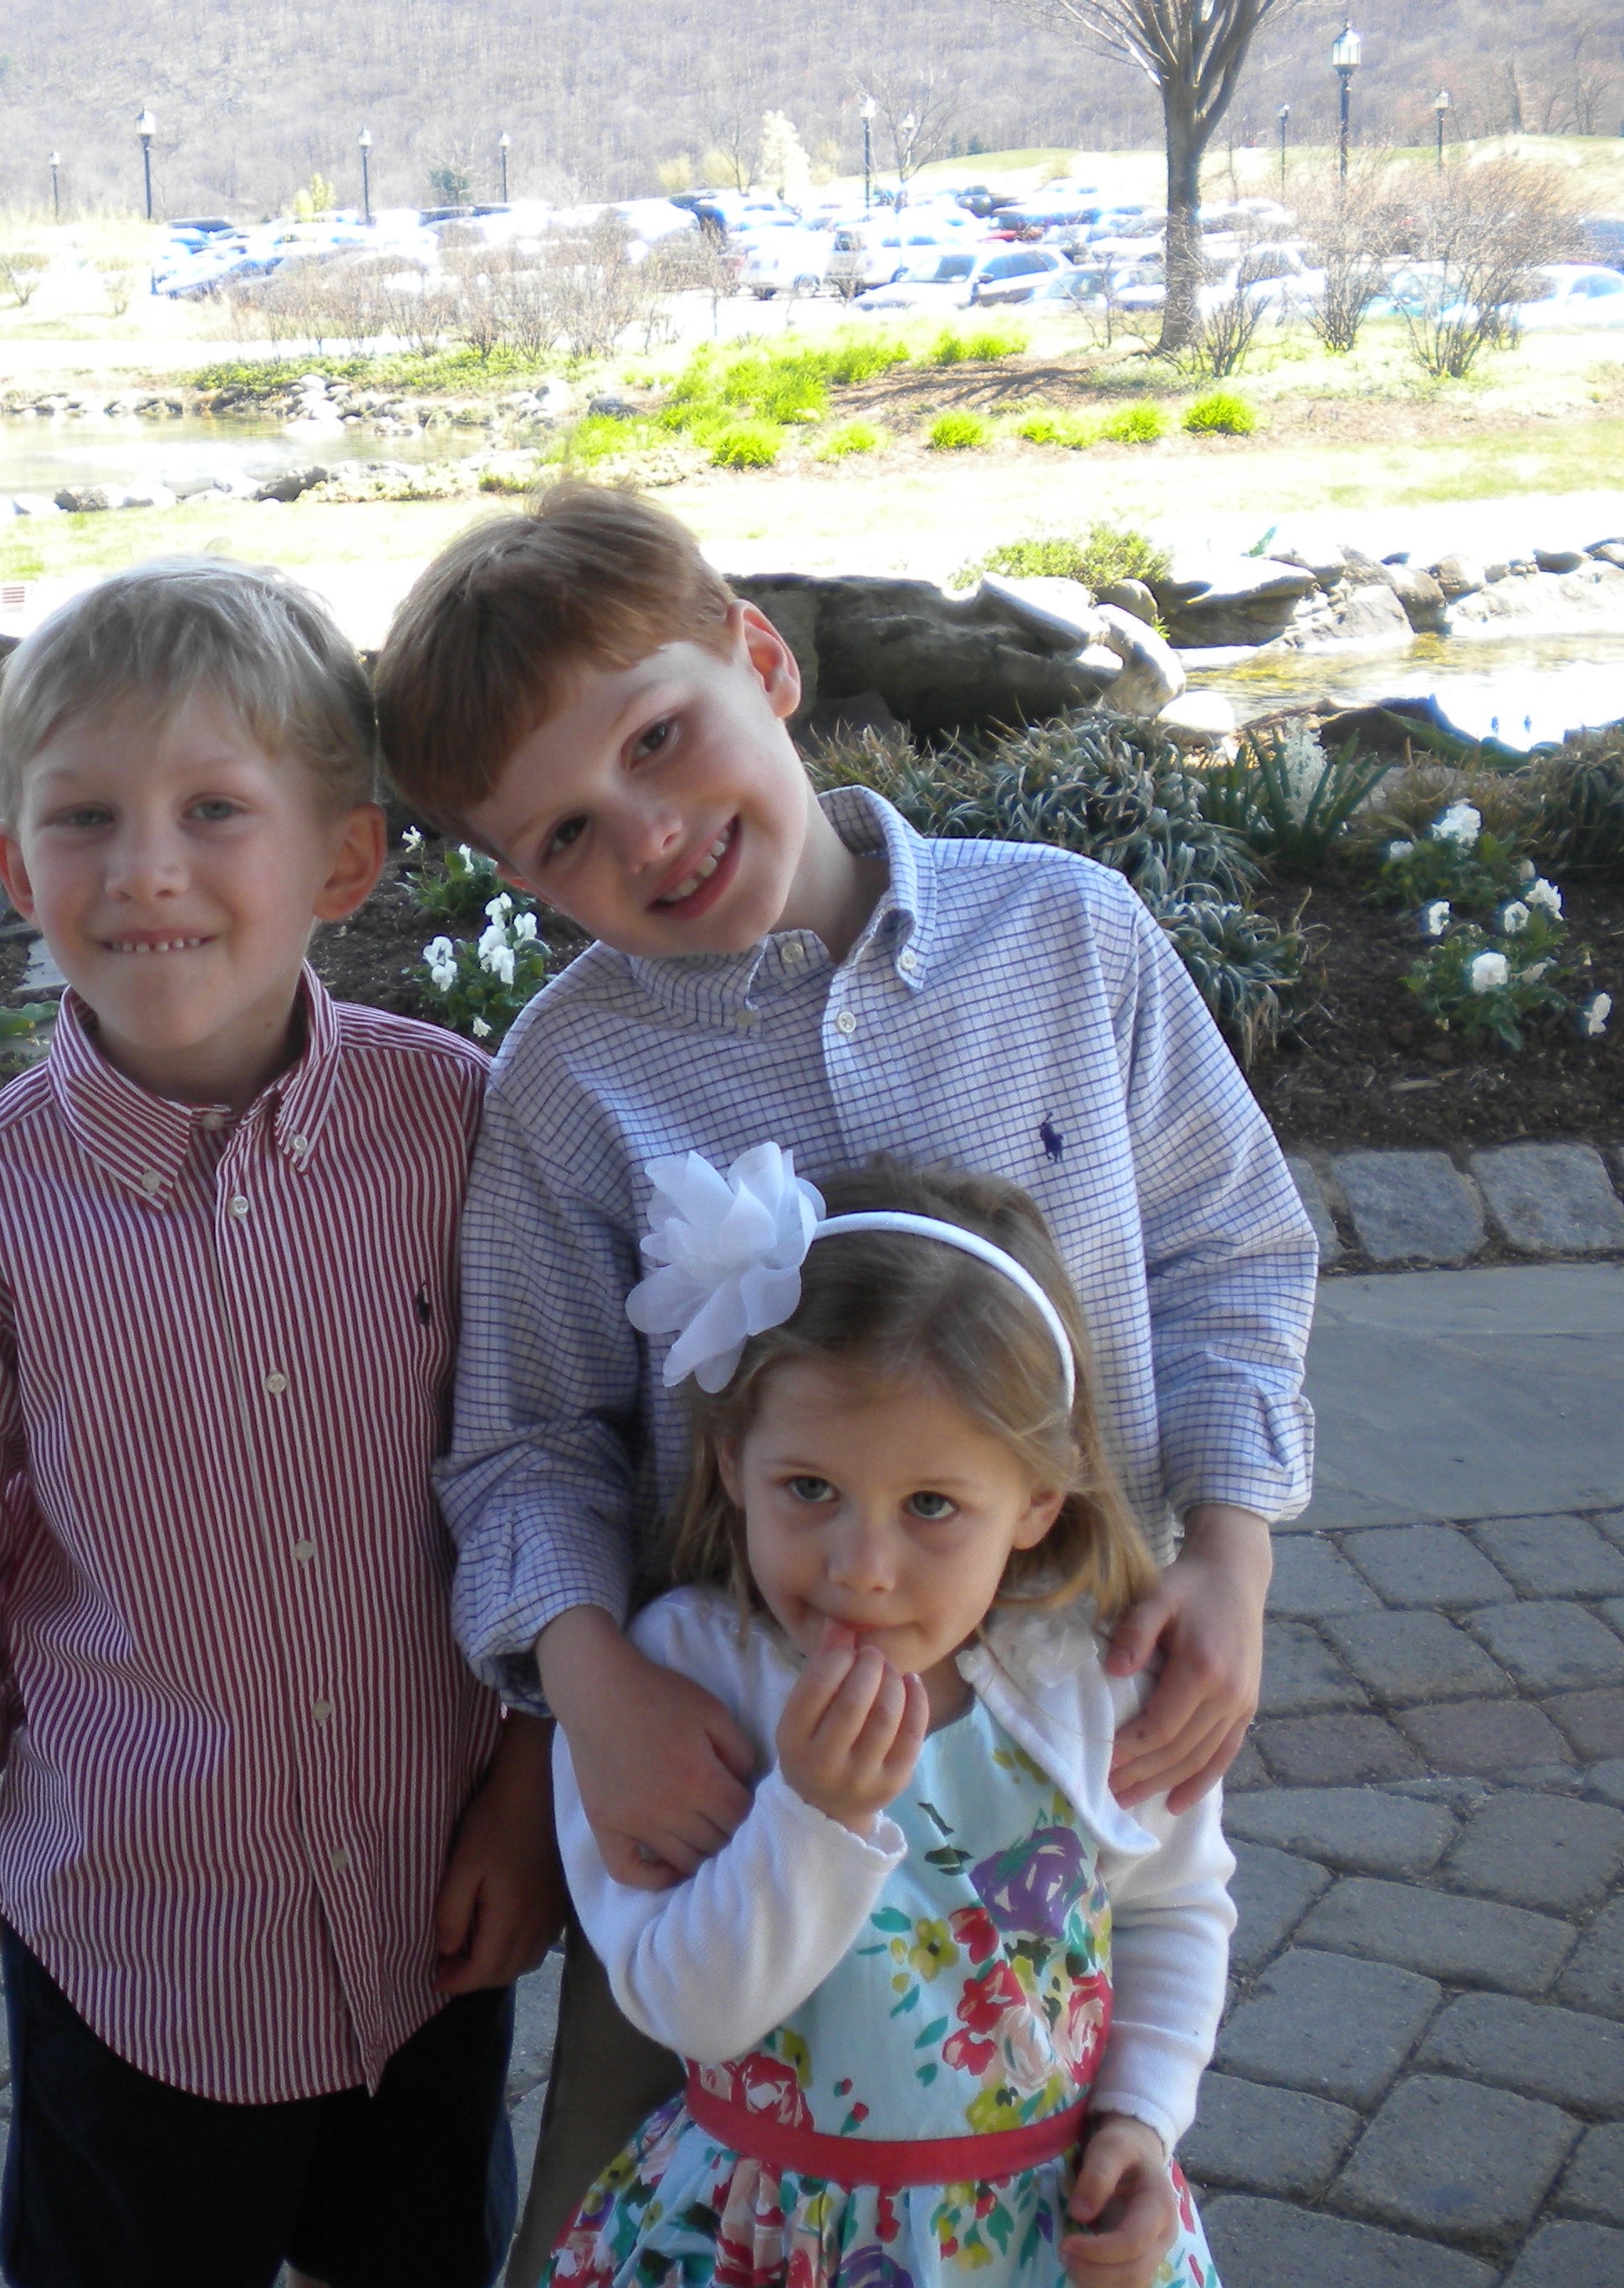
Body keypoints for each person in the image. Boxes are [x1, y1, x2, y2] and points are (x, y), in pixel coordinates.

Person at [370, 483, 1311, 2276]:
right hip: (717, 1772)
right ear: (512, 878)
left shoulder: (1064, 940)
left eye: (662, 738)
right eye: (564, 834)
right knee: (638, 2187)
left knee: (1063, 2172)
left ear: (762, 657)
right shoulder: (569, 1085)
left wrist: (1230, 1550)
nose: (645, 835)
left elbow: (1228, 1257)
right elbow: (522, 1446)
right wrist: (593, 1692)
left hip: (1050, 1720)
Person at [0, 557, 564, 2288]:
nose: (145, 868)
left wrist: (529, 1802)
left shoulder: (457, 1127)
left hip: (429, 1916)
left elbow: (560, 1473)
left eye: (213, 810)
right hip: (133, 1957)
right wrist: (18, 1899)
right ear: (15, 869)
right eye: (84, 818)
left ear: (343, 858)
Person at [550, 1148, 1232, 2287]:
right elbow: (685, 2006)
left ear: (1036, 1503)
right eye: (808, 1490)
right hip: (763, 2240)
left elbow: (1170, 1909)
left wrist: (1144, 2121)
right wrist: (810, 1816)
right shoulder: (674, 1684)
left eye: (931, 1507)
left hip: (1032, 2239)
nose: (860, 1570)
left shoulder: (1092, 1680)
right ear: (729, 1462)